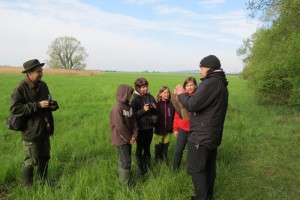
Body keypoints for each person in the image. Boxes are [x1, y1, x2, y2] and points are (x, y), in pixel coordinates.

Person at [174, 55, 229, 200]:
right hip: (212, 134)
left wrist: (182, 94)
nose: (200, 71)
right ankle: (206, 196)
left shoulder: (210, 83)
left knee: (195, 168)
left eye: (201, 67)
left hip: (201, 135)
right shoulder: (221, 84)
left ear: (209, 68)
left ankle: (202, 198)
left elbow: (192, 104)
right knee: (209, 167)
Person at [9, 59, 59, 191]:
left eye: (41, 70)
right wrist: (37, 105)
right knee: (30, 161)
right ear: (29, 73)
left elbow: (47, 100)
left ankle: (43, 181)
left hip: (45, 128)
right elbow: (14, 109)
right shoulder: (21, 88)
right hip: (31, 131)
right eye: (38, 71)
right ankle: (28, 187)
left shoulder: (43, 85)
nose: (42, 73)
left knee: (45, 157)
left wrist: (53, 105)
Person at [110, 84, 138, 186]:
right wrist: (129, 138)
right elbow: (120, 127)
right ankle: (125, 184)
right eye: (129, 93)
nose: (130, 95)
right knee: (126, 160)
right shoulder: (117, 108)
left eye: (131, 93)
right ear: (123, 94)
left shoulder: (128, 106)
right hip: (121, 139)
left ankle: (126, 177)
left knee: (125, 159)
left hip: (129, 138)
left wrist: (134, 134)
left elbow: (134, 121)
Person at [131, 77, 157, 175]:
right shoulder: (135, 100)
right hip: (140, 129)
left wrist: (154, 108)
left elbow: (157, 111)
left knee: (147, 148)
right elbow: (132, 116)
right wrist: (143, 110)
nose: (145, 89)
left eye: (146, 86)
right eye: (142, 87)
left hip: (149, 128)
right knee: (139, 148)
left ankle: (147, 167)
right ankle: (139, 168)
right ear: (137, 88)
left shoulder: (150, 97)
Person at [172, 77, 197, 172]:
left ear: (195, 86)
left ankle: (189, 172)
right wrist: (176, 128)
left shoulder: (197, 97)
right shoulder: (181, 97)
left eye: (191, 85)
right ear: (184, 87)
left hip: (193, 130)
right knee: (178, 151)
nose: (189, 87)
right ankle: (174, 171)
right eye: (187, 85)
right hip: (182, 129)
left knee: (191, 153)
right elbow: (177, 115)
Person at [154, 86, 174, 164]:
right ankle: (157, 160)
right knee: (159, 146)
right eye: (164, 92)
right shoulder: (157, 104)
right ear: (160, 94)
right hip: (159, 130)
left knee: (166, 146)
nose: (167, 94)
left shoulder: (171, 104)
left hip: (168, 130)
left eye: (168, 92)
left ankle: (164, 159)